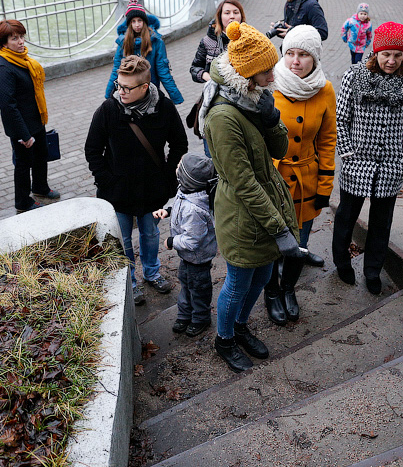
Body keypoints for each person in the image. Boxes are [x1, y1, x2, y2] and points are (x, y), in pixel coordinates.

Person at [198, 21, 301, 372]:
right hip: (243, 217)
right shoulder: (223, 116)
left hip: (266, 207)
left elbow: (280, 149)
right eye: (266, 71)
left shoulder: (252, 98)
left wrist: (272, 119)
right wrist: (279, 229)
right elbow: (243, 183)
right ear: (246, 73)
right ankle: (224, 339)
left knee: (261, 277)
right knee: (239, 283)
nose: (274, 76)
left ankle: (240, 327)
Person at [332, 21, 403, 295]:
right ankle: (342, 263)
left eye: (397, 55)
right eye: (386, 54)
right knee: (346, 216)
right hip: (357, 161)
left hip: (390, 165)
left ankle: (372, 271)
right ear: (376, 52)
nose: (392, 61)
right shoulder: (353, 76)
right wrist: (347, 153)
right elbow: (341, 118)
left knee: (381, 222)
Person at [86, 55, 188, 306]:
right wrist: (106, 181)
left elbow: (179, 144)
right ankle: (130, 281)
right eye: (118, 85)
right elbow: (92, 150)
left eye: (126, 88)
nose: (120, 91)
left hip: (152, 189)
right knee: (123, 239)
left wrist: (167, 177)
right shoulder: (108, 110)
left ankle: (152, 273)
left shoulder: (163, 108)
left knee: (150, 234)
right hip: (117, 192)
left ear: (144, 87)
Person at [263, 25, 336, 326]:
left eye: (303, 54)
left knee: (299, 243)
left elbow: (328, 140)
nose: (295, 61)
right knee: (272, 242)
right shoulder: (269, 85)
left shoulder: (324, 89)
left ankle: (288, 289)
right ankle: (271, 292)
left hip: (306, 180)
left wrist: (325, 185)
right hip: (274, 179)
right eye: (290, 53)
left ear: (315, 58)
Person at [0, 19, 60, 213]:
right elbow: (8, 106)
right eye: (15, 38)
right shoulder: (3, 68)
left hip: (36, 120)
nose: (21, 42)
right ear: (3, 43)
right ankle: (22, 202)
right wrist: (23, 134)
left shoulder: (23, 60)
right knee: (23, 164)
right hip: (21, 127)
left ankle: (40, 187)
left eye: (21, 37)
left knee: (41, 156)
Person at [154, 153, 218, 337]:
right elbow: (180, 206)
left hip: (198, 259)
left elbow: (193, 240)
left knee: (199, 289)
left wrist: (172, 241)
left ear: (187, 178)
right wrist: (168, 211)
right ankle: (184, 314)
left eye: (179, 167)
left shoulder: (194, 209)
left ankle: (201, 318)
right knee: (186, 284)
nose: (176, 168)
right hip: (188, 258)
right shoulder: (186, 191)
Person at [105, 0, 184, 105]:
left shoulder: (156, 42)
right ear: (129, 24)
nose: (137, 25)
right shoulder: (123, 43)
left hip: (149, 92)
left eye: (140, 20)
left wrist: (175, 96)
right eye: (133, 21)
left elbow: (163, 71)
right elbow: (116, 70)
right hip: (129, 92)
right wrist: (108, 95)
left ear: (144, 22)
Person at [189, 0, 245, 84]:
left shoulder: (249, 39)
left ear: (241, 16)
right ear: (220, 17)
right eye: (227, 13)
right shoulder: (207, 41)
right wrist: (210, 79)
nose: (232, 16)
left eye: (236, 12)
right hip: (217, 89)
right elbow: (195, 68)